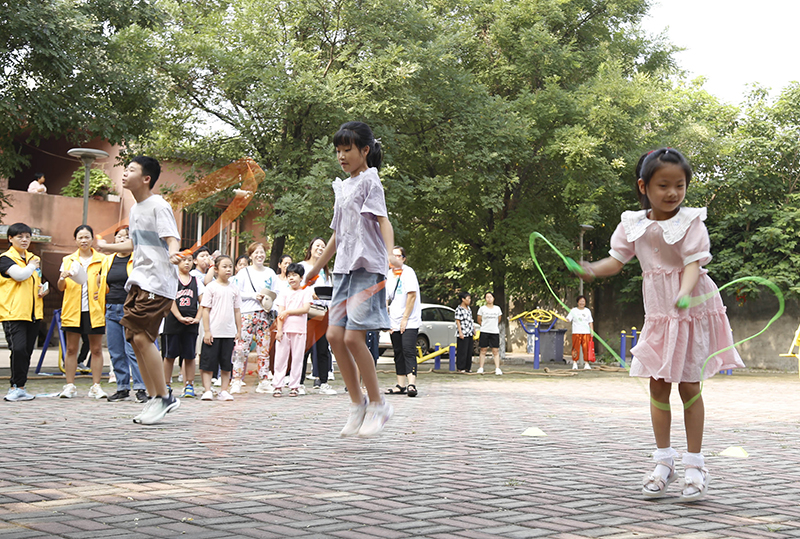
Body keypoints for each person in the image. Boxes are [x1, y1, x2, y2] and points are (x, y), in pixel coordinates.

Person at [575, 147, 745, 502]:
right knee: (657, 386)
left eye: (679, 185)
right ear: (644, 186)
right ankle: (663, 462)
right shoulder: (633, 224)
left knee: (688, 387)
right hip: (658, 312)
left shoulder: (691, 223)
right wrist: (591, 269)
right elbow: (617, 260)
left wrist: (684, 293)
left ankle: (695, 466)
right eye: (663, 185)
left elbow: (693, 265)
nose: (672, 193)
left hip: (690, 306)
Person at [306, 121, 396, 437]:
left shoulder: (371, 182)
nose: (342, 156)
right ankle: (357, 404)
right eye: (338, 150)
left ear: (365, 150)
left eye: (348, 150)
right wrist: (316, 267)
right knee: (333, 336)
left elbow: (384, 222)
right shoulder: (343, 186)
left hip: (368, 268)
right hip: (343, 270)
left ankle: (378, 404)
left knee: (353, 338)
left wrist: (389, 254)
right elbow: (336, 235)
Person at [97, 156, 183, 424]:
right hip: (139, 281)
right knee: (134, 339)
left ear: (146, 178)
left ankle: (164, 397)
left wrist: (172, 254)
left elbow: (172, 238)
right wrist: (106, 248)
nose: (124, 174)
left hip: (157, 283)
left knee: (143, 338)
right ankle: (154, 397)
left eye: (131, 170)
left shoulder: (159, 205)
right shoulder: (135, 210)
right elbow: (135, 245)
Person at [57, 225, 108, 399]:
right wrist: (62, 277)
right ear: (75, 240)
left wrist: (102, 283)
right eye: (80, 237)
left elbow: (108, 288)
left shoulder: (103, 260)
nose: (84, 240)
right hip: (73, 309)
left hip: (95, 309)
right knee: (71, 349)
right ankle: (69, 385)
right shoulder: (68, 260)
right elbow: (60, 287)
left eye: (87, 237)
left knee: (96, 349)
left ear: (92, 239)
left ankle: (96, 386)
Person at [0, 223, 49, 401]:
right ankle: (14, 386)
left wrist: (44, 289)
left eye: (27, 236)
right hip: (14, 313)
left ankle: (21, 386)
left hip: (33, 313)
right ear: (10, 239)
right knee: (18, 349)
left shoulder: (33, 258)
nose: (24, 240)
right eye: (20, 236)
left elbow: (36, 280)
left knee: (27, 351)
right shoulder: (5, 258)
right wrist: (31, 265)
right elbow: (20, 275)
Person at [100, 226, 147, 403]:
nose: (122, 240)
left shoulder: (137, 259)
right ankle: (122, 387)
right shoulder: (108, 260)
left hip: (131, 309)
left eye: (126, 237)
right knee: (115, 350)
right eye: (119, 237)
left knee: (133, 350)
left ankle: (141, 387)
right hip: (111, 307)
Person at [231, 242, 276, 394]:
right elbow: (236, 292)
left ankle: (264, 380)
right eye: (256, 252)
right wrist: (253, 295)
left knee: (264, 349)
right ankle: (236, 379)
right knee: (241, 348)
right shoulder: (244, 273)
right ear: (250, 256)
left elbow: (276, 292)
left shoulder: (270, 273)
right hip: (247, 314)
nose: (259, 255)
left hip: (264, 315)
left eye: (262, 252)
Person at [199, 255, 241, 401]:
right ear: (216, 269)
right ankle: (207, 390)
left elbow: (237, 310)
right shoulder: (211, 287)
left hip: (228, 332)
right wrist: (207, 330)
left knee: (226, 363)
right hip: (213, 331)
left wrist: (239, 330)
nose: (228, 269)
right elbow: (205, 310)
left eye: (230, 266)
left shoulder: (234, 289)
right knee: (208, 362)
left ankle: (224, 390)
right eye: (224, 266)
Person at [163, 252, 204, 398]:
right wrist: (179, 316)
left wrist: (198, 318)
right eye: (183, 260)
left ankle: (189, 385)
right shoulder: (172, 279)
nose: (186, 263)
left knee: (190, 355)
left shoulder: (196, 281)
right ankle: (166, 384)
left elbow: (202, 302)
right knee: (170, 354)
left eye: (189, 260)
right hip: (173, 321)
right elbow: (170, 300)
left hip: (191, 322)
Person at [300, 237, 336, 395]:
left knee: (323, 348)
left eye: (323, 246)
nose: (320, 248)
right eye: (317, 245)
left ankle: (323, 381)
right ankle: (298, 381)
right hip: (306, 311)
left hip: (322, 311)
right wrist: (310, 294)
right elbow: (296, 287)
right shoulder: (302, 267)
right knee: (304, 348)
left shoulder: (325, 270)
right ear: (310, 248)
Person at [272, 263, 313, 397]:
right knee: (280, 358)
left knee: (297, 359)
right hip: (284, 330)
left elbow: (305, 309)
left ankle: (294, 386)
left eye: (294, 275)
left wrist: (289, 311)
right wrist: (279, 330)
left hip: (300, 330)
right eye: (289, 276)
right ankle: (278, 385)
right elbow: (280, 313)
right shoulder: (284, 292)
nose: (291, 278)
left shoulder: (306, 292)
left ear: (301, 278)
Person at [385, 246, 421, 397]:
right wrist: (387, 319)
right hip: (393, 320)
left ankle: (411, 383)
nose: (394, 258)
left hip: (409, 320)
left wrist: (405, 318)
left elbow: (411, 296)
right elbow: (386, 298)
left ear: (403, 258)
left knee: (408, 350)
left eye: (398, 256)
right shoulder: (388, 274)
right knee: (398, 352)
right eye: (392, 256)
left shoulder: (408, 272)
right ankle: (400, 385)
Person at [476, 292, 503, 375]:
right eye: (487, 297)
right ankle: (481, 367)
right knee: (483, 350)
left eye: (490, 297)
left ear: (493, 298)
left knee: (495, 350)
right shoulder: (482, 309)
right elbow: (479, 319)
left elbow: (499, 319)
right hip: (484, 331)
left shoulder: (497, 309)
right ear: (485, 299)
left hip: (494, 331)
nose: (489, 299)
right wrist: (484, 326)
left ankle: (497, 368)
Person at [567, 295, 594, 370]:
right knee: (575, 348)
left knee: (586, 348)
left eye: (583, 301)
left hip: (586, 332)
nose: (582, 303)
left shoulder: (587, 311)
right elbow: (568, 319)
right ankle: (575, 363)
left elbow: (590, 322)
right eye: (580, 301)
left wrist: (592, 331)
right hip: (576, 332)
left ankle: (587, 363)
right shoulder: (573, 311)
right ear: (578, 302)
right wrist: (566, 319)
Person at [454, 291, 474, 373]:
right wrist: (460, 332)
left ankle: (467, 367)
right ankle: (460, 367)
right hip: (463, 332)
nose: (469, 300)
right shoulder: (459, 309)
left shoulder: (469, 309)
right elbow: (458, 321)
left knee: (469, 351)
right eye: (468, 298)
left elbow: (471, 320)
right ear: (463, 299)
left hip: (469, 332)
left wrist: (474, 329)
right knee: (462, 350)